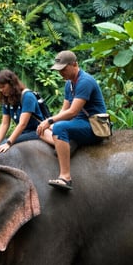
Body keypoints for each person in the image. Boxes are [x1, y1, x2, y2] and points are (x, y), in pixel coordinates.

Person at [37, 50, 108, 191]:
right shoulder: (69, 84)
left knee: (58, 128)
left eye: (63, 69)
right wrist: (47, 124)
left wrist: (51, 121)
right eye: (59, 70)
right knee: (41, 130)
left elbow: (73, 112)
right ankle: (65, 144)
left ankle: (65, 177)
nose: (61, 73)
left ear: (74, 64)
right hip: (79, 122)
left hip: (93, 125)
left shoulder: (85, 81)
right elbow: (64, 110)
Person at [0, 69, 46, 153]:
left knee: (5, 144)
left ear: (12, 84)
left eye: (3, 87)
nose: (1, 90)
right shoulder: (7, 99)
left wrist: (8, 143)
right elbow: (5, 124)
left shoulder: (27, 96)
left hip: (36, 131)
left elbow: (22, 124)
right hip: (23, 133)